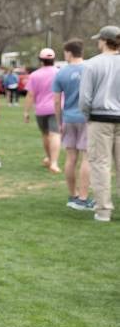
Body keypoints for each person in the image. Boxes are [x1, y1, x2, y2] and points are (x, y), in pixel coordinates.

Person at [79, 25, 120, 223]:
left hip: (100, 118)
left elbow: (84, 98)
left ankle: (103, 210)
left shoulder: (92, 64)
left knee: (100, 164)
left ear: (104, 41)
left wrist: (87, 115)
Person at [53, 39, 93, 210]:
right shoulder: (90, 69)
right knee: (86, 157)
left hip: (69, 118)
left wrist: (59, 121)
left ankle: (73, 195)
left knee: (71, 158)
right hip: (86, 118)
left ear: (68, 52)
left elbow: (56, 101)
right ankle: (83, 198)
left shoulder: (61, 73)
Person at [24, 48, 61, 174]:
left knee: (45, 135)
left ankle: (50, 158)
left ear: (41, 60)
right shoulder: (59, 73)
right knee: (55, 134)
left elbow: (30, 95)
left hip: (41, 110)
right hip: (57, 108)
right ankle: (54, 163)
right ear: (53, 60)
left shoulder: (34, 75)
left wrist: (26, 112)